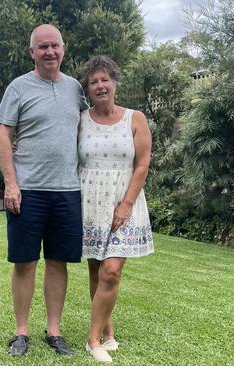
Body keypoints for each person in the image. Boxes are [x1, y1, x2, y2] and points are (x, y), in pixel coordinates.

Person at [0, 24, 88, 357]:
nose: (50, 52)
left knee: (58, 261)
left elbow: (88, 131)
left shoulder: (76, 89)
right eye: (42, 47)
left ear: (64, 48)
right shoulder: (18, 87)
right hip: (28, 190)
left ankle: (54, 331)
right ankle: (21, 332)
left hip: (67, 191)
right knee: (24, 262)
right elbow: (4, 135)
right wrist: (11, 183)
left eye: (55, 46)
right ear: (31, 52)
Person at [78, 55, 155, 363]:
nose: (100, 85)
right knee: (97, 269)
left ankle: (92, 340)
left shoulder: (135, 118)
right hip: (90, 201)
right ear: (88, 87)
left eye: (105, 79)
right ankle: (108, 332)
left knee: (112, 270)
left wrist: (125, 205)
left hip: (125, 202)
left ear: (115, 83)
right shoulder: (80, 118)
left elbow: (143, 163)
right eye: (94, 81)